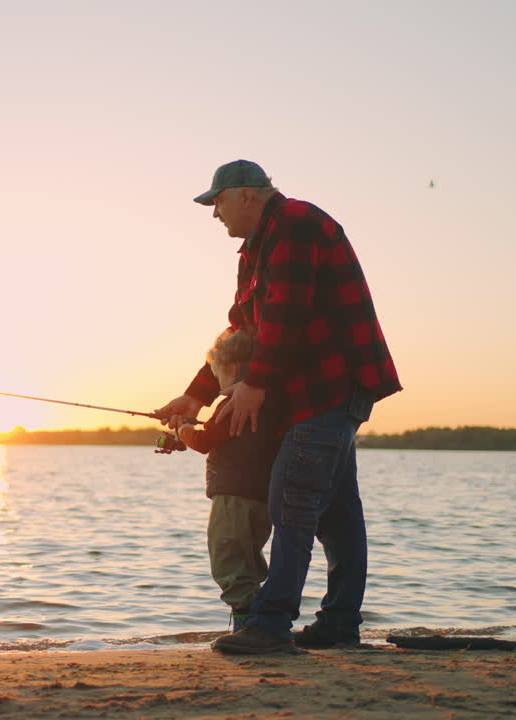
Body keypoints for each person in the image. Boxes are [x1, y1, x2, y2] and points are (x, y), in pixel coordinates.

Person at [157, 159, 401, 654]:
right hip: (307, 391)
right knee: (336, 511)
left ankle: (270, 624)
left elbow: (287, 316)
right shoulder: (254, 250)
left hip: (331, 386)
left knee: (292, 500)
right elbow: (241, 331)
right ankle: (339, 624)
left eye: (217, 202)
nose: (214, 214)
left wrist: (255, 384)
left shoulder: (296, 226)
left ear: (247, 194)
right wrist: (196, 394)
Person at [176, 328, 283, 634]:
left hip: (232, 496)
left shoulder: (235, 401)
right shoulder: (269, 401)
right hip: (262, 497)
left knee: (227, 558)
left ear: (233, 367)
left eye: (216, 373)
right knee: (249, 558)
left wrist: (182, 428)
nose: (218, 384)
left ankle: (248, 625)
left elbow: (204, 439)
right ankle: (258, 619)